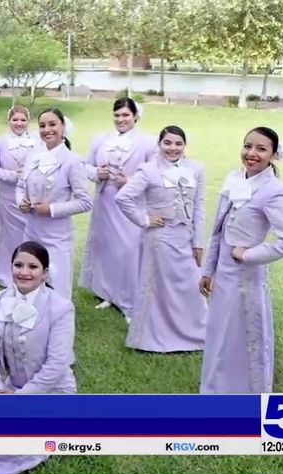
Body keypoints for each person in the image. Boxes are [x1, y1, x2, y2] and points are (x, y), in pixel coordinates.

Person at [199, 126, 283, 393]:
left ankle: (241, 392)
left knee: (241, 339)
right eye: (247, 146)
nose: (251, 153)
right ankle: (214, 390)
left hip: (245, 281)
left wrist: (249, 254)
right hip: (222, 277)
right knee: (219, 337)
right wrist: (208, 270)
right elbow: (218, 230)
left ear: (274, 155)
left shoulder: (274, 191)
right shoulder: (235, 178)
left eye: (261, 148)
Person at [0, 241, 76, 474]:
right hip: (10, 391)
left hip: (50, 394)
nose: (24, 272)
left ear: (45, 273)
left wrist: (20, 398)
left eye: (33, 267)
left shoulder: (61, 308)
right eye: (18, 265)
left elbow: (57, 364)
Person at [114, 126, 207, 352]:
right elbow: (123, 197)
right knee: (158, 288)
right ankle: (154, 337)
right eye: (167, 143)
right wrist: (144, 219)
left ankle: (195, 331)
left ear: (185, 145)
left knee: (190, 285)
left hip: (185, 238)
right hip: (159, 238)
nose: (173, 148)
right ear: (160, 144)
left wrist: (198, 242)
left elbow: (199, 207)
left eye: (178, 143)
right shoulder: (148, 170)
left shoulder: (196, 168)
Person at [79, 97, 157, 323]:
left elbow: (156, 174)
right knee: (107, 249)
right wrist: (96, 173)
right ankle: (108, 293)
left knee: (129, 250)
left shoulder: (148, 143)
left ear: (135, 116)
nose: (121, 119)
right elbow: (84, 166)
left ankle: (130, 300)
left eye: (125, 115)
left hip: (131, 205)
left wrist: (131, 181)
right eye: (117, 115)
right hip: (105, 201)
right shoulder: (100, 139)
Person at [16, 108, 91, 299]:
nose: (47, 129)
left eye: (52, 124)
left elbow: (85, 202)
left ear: (63, 127)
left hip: (57, 237)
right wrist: (21, 202)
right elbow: (20, 186)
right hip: (31, 232)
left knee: (56, 286)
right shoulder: (33, 156)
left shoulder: (73, 161)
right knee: (28, 282)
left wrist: (52, 209)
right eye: (42, 125)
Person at [0, 106, 35, 288]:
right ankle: (4, 273)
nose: (19, 123)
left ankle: (29, 271)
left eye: (23, 120)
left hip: (30, 198)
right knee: (7, 236)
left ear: (29, 121)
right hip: (6, 198)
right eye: (15, 120)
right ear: (9, 121)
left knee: (28, 234)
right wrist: (13, 175)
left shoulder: (38, 141)